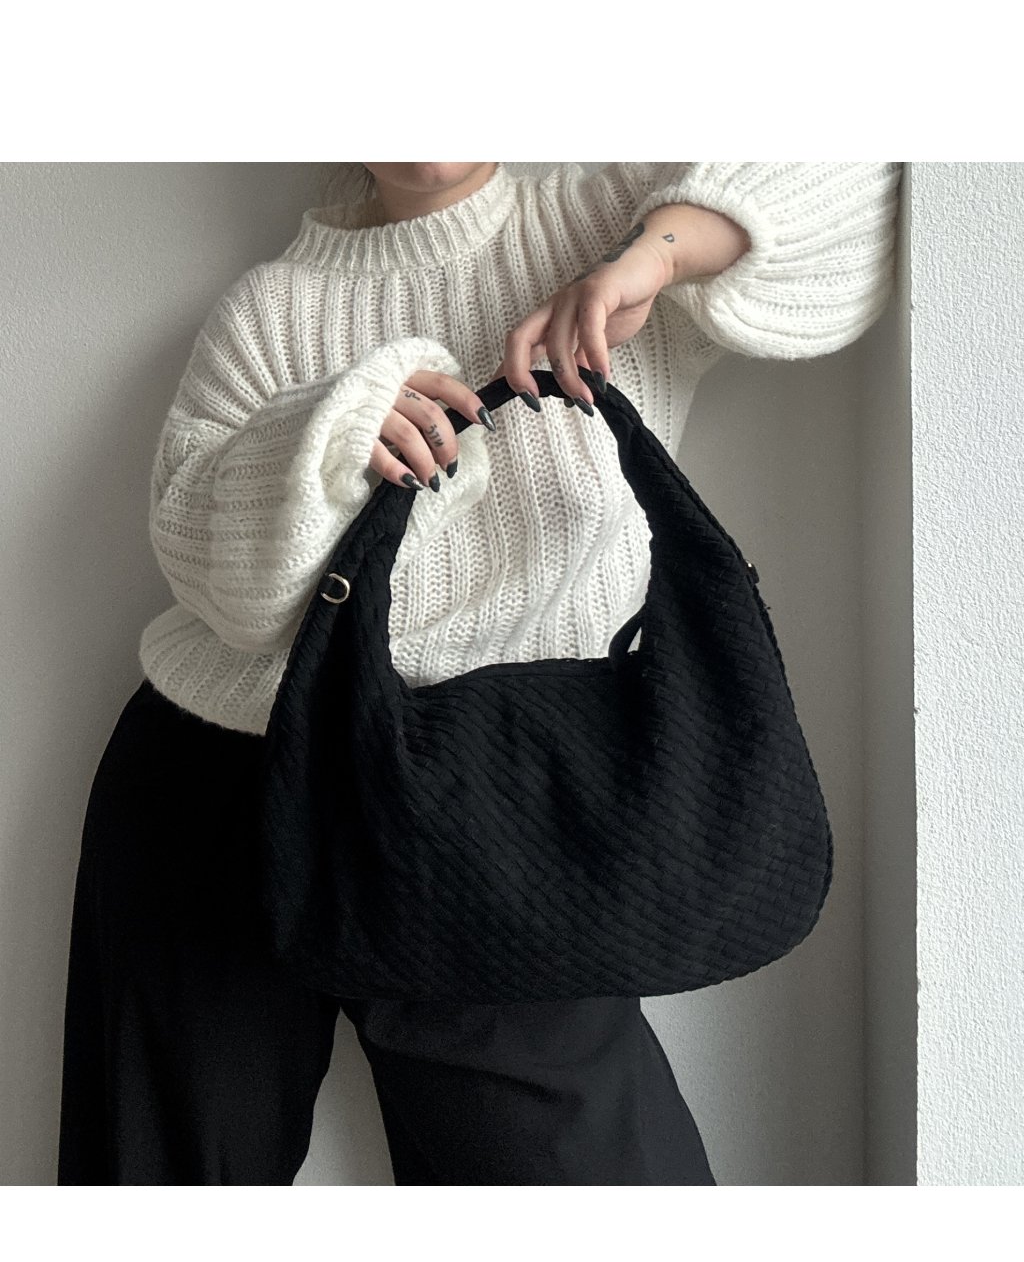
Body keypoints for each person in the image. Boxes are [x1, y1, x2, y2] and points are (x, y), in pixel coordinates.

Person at [56, 160, 903, 1186]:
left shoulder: (605, 213)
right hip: (220, 780)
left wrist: (657, 255)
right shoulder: (269, 311)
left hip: (503, 810)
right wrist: (334, 435)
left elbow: (864, 171)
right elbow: (212, 578)